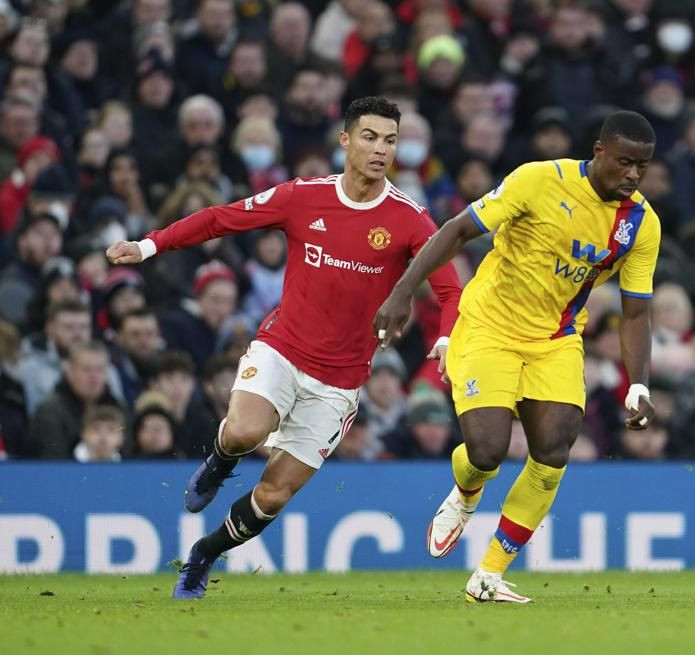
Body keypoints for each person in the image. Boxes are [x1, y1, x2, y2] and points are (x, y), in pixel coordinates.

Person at [105, 97, 462, 599]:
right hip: (283, 350)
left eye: (390, 140)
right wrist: (149, 245)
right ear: (345, 141)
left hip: (340, 381)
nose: (380, 149)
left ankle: (204, 555)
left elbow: (450, 290)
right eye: (369, 137)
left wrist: (445, 337)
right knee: (245, 433)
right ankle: (220, 461)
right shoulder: (302, 197)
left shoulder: (409, 219)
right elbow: (220, 219)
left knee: (272, 496)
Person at [375, 111, 660, 603]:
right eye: (624, 163)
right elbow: (459, 230)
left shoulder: (640, 224)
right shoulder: (537, 180)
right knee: (486, 452)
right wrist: (403, 291)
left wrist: (638, 384)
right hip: (488, 326)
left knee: (552, 450)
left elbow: (635, 314)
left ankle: (488, 574)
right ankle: (465, 494)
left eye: (642, 167)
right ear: (598, 152)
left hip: (555, 340)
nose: (633, 176)